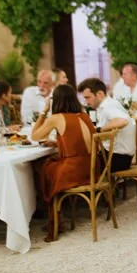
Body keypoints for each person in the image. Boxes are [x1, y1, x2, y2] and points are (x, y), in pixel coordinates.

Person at [30, 85, 98, 242]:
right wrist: (57, 144)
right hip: (92, 168)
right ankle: (49, 211)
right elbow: (79, 142)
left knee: (42, 167)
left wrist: (44, 111)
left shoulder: (56, 118)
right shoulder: (84, 115)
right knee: (48, 165)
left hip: (74, 170)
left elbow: (34, 136)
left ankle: (48, 212)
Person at [77, 78, 135, 174]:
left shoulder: (108, 106)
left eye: (88, 97)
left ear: (100, 94)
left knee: (77, 165)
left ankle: (93, 188)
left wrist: (100, 130)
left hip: (118, 159)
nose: (86, 102)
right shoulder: (109, 104)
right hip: (121, 157)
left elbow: (123, 121)